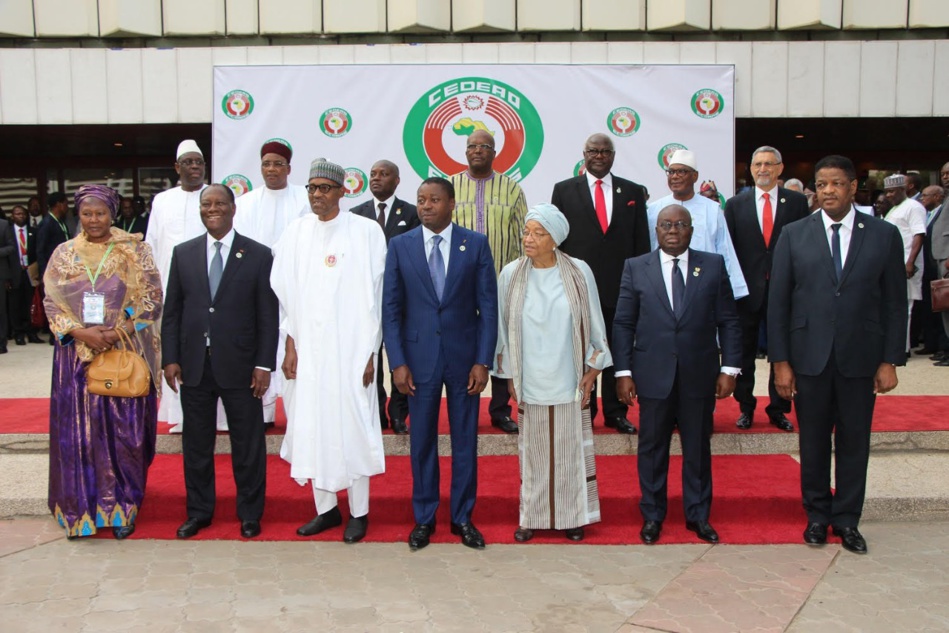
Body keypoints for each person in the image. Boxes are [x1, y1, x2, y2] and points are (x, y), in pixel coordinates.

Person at [769, 155, 906, 554]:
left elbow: (895, 304)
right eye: (821, 184)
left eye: (836, 184)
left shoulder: (883, 235)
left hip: (860, 359)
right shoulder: (794, 234)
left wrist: (889, 360)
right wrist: (781, 362)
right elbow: (779, 305)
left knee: (854, 443)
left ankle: (847, 520)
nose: (828, 191)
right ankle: (816, 517)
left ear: (852, 188)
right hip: (808, 358)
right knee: (812, 442)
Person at [270, 159, 386, 544]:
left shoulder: (366, 232)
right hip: (308, 353)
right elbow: (286, 299)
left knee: (352, 425)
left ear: (342, 191)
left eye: (324, 188)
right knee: (312, 425)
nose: (317, 195)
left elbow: (378, 298)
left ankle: (359, 512)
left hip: (352, 351)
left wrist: (371, 352)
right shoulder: (295, 233)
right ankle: (325, 510)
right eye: (311, 188)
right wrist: (290, 346)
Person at [613, 204, 742, 545]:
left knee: (697, 448)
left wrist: (730, 367)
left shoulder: (712, 266)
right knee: (652, 448)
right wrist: (623, 371)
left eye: (680, 224)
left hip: (700, 375)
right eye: (665, 225)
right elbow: (624, 323)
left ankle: (698, 515)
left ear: (691, 229)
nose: (672, 230)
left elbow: (728, 320)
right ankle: (652, 515)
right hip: (652, 375)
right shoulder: (636, 267)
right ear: (656, 230)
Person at [383, 177, 498, 551]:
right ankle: (425, 518)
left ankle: (463, 517)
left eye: (434, 200)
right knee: (422, 443)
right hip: (418, 362)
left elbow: (488, 308)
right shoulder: (400, 246)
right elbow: (392, 308)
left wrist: (483, 360)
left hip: (465, 361)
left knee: (465, 440)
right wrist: (397, 362)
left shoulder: (476, 244)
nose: (426, 206)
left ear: (452, 204)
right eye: (421, 200)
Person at [43, 184, 163, 539]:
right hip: (74, 358)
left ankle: (123, 507)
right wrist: (82, 334)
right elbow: (51, 302)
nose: (94, 220)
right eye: (86, 213)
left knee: (123, 434)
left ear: (113, 213)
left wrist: (114, 332)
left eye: (101, 213)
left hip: (121, 352)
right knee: (78, 435)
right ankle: (80, 510)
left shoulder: (134, 250)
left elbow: (152, 299)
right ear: (76, 215)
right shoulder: (63, 253)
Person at [161, 183, 278, 540]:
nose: (212, 209)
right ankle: (198, 512)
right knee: (196, 445)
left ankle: (250, 513)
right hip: (194, 364)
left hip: (242, 366)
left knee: (248, 444)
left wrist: (263, 364)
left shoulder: (257, 255)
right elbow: (173, 311)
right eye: (206, 204)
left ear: (232, 208)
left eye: (219, 203)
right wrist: (170, 358)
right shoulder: (183, 254)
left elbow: (267, 315)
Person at [495, 204, 610, 542]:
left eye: (537, 233)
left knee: (568, 448)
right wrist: (510, 376)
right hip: (530, 376)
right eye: (526, 231)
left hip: (569, 374)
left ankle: (572, 516)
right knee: (533, 452)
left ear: (555, 239)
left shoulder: (578, 272)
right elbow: (503, 329)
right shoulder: (511, 274)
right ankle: (532, 516)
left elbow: (594, 320)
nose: (527, 238)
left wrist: (593, 369)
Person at [551, 133, 651, 435]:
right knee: (581, 349)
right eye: (593, 151)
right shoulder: (564, 190)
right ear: (584, 154)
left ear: (613, 155)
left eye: (605, 151)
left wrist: (642, 284)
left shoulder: (632, 192)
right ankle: (585, 409)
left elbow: (641, 243)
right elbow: (556, 240)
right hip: (578, 286)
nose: (599, 156)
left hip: (621, 286)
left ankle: (615, 412)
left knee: (617, 347)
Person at [724, 146, 809, 431]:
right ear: (750, 169)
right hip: (747, 292)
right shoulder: (737, 204)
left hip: (785, 290)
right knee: (744, 352)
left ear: (780, 169)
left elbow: (803, 244)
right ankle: (746, 407)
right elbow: (730, 249)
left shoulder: (796, 203)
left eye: (769, 164)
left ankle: (778, 408)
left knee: (782, 349)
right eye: (758, 164)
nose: (763, 169)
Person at [450, 130, 526, 434]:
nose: (477, 150)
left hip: (500, 284)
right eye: (472, 146)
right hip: (456, 285)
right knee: (461, 346)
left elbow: (522, 238)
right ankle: (462, 408)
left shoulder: (512, 190)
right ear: (465, 151)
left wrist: (520, 281)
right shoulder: (450, 186)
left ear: (495, 152)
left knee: (499, 346)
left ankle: (499, 410)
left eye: (484, 146)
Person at [234, 139, 309, 427]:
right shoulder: (246, 202)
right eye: (267, 164)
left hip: (294, 285)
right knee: (262, 343)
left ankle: (296, 416)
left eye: (278, 164)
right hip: (256, 285)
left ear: (288, 168)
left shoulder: (304, 198)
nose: (272, 169)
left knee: (292, 345)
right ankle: (263, 414)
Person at [350, 159, 420, 435]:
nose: (377, 178)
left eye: (384, 174)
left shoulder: (412, 213)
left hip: (402, 298)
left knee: (400, 357)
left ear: (397, 180)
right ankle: (375, 413)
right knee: (370, 358)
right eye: (373, 174)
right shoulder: (356, 214)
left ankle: (399, 415)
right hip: (366, 297)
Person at [146, 139, 210, 433]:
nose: (194, 167)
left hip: (207, 289)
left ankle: (218, 416)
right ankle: (181, 416)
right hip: (171, 288)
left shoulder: (214, 197)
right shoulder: (162, 200)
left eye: (198, 162)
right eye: (188, 162)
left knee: (207, 349)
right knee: (177, 347)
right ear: (177, 167)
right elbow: (152, 244)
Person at [647, 149, 749, 301]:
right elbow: (650, 248)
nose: (675, 176)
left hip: (705, 284)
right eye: (671, 172)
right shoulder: (655, 209)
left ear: (695, 176)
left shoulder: (712, 209)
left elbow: (724, 249)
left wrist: (731, 290)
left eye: (681, 171)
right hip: (665, 283)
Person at [882, 174, 927, 355]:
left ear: (904, 189)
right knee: (894, 306)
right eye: (887, 192)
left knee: (904, 307)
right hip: (893, 265)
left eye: (892, 191)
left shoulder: (914, 207)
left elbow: (919, 234)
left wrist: (910, 262)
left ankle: (903, 348)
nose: (889, 195)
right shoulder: (895, 209)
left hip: (907, 264)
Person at [7, 206, 44, 345]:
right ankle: (18, 333)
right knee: (15, 304)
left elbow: (38, 252)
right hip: (15, 272)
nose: (20, 216)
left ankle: (31, 332)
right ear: (12, 216)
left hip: (30, 272)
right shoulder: (8, 232)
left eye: (23, 214)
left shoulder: (33, 232)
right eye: (17, 214)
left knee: (31, 303)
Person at [932, 187, 949, 366]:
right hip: (940, 258)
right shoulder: (946, 198)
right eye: (943, 174)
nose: (945, 177)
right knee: (944, 307)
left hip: (947, 258)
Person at [0, 214, 15, 353]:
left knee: (1, 310)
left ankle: (1, 342)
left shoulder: (4, 225)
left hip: (1, 274)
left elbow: (11, 246)